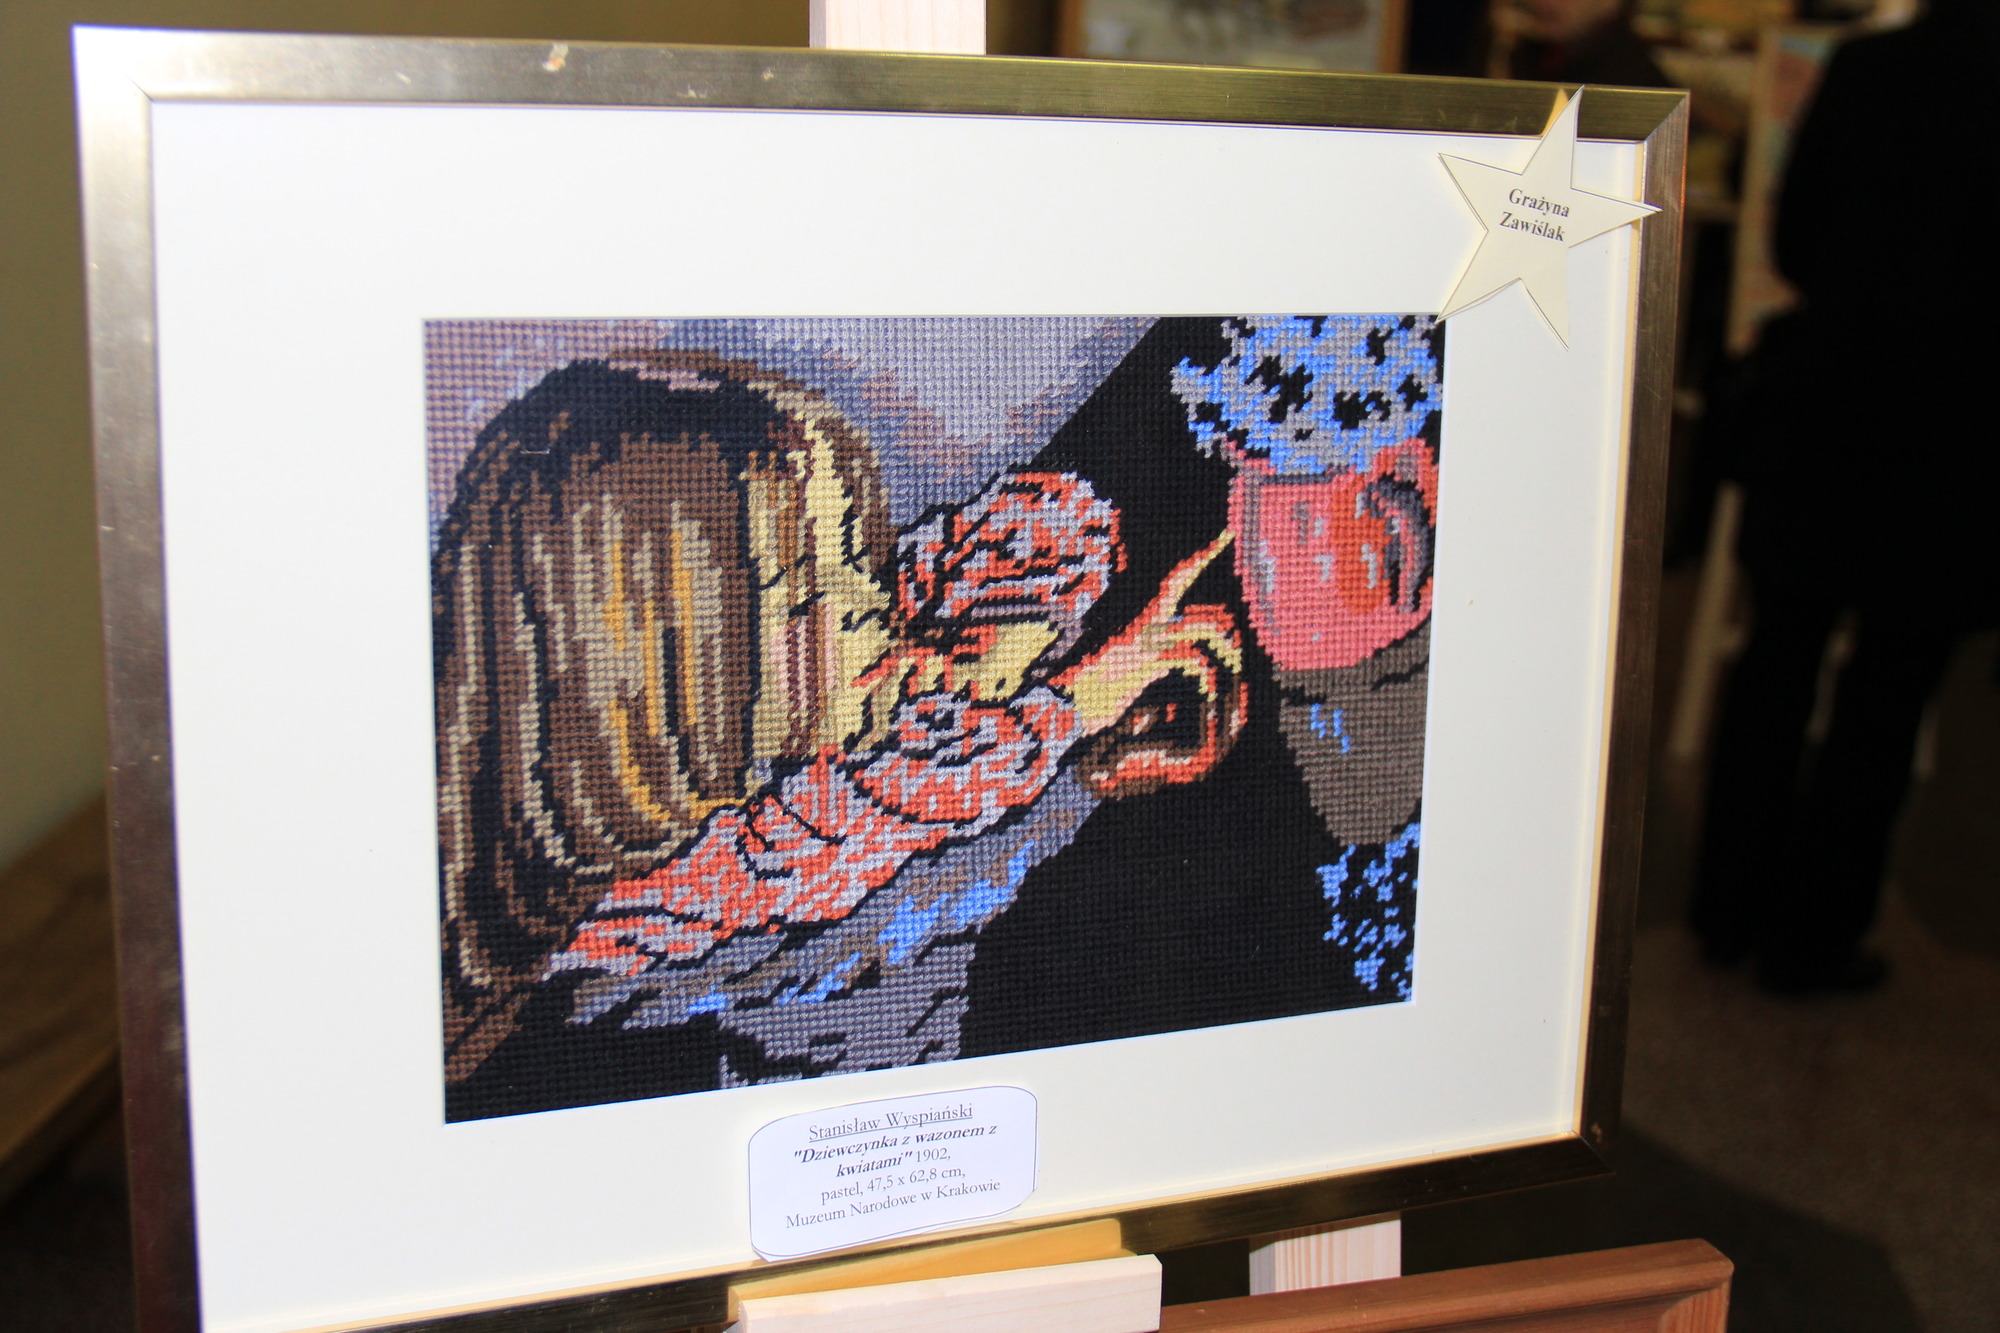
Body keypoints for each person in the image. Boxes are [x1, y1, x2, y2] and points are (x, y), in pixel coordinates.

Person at [1688, 0, 2000, 993]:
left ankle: (1724, 907)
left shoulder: (1866, 67)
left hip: (1824, 412)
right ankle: (1814, 939)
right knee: (1887, 694)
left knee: (1774, 660)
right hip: (1962, 442)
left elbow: (1794, 243)